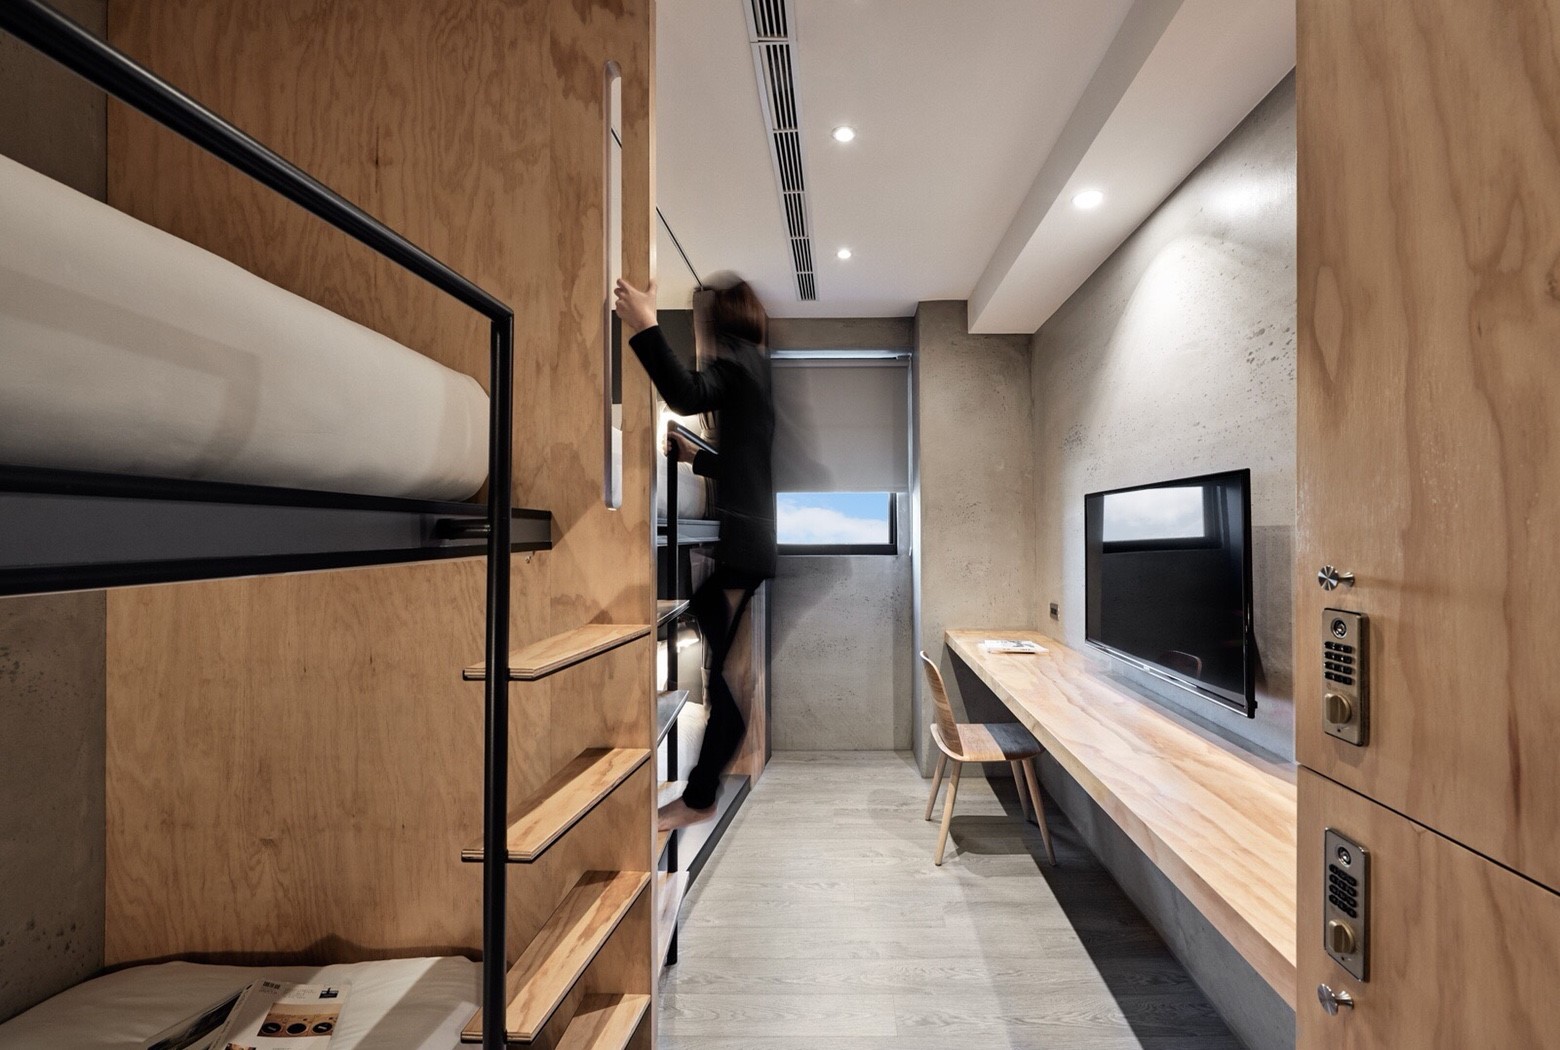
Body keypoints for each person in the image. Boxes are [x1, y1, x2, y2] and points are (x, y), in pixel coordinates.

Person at [614, 275, 775, 832]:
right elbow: (745, 464)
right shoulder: (755, 368)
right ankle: (705, 784)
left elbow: (684, 394)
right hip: (753, 543)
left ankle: (700, 794)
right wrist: (695, 458)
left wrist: (645, 323)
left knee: (725, 674)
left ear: (719, 321)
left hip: (745, 547)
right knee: (722, 660)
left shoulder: (735, 365)